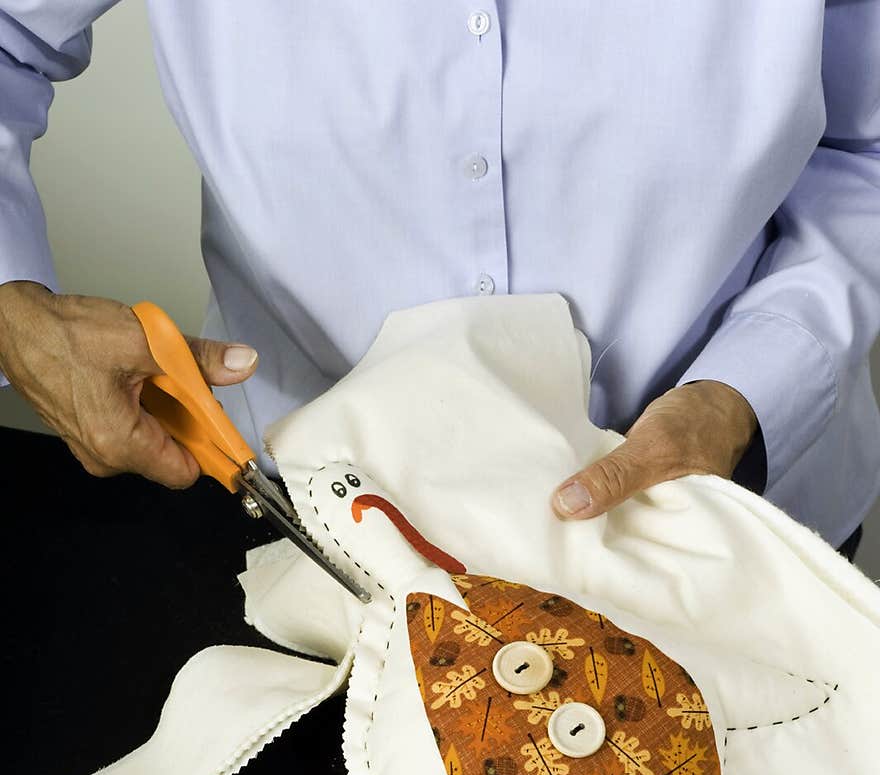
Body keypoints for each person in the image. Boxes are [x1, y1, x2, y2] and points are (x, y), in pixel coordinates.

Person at [0, 2, 877, 561]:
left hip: (730, 531)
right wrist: (13, 308)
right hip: (309, 539)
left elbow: (866, 147)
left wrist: (745, 395)